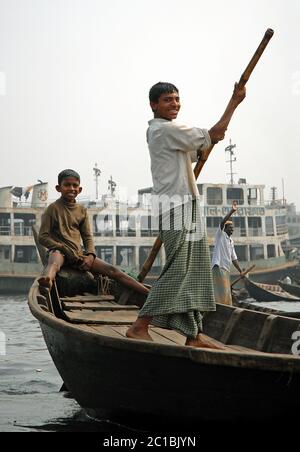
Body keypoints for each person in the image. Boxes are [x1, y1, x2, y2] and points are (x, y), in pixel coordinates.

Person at [126, 81, 246, 348]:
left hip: (184, 203)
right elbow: (215, 133)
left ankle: (193, 335)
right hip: (176, 205)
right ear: (154, 105)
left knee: (195, 270)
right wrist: (234, 102)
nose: (175, 104)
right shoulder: (164, 130)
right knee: (179, 269)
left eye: (177, 99)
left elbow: (197, 150)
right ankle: (140, 325)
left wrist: (208, 141)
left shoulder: (166, 132)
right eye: (168, 100)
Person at [38, 169, 149, 295]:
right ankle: (47, 280)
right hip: (60, 252)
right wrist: (62, 248)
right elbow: (43, 236)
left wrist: (90, 255)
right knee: (54, 264)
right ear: (59, 188)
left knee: (113, 271)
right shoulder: (52, 209)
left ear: (80, 189)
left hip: (78, 254)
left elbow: (87, 237)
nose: (71, 188)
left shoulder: (81, 210)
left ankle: (147, 293)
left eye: (75, 185)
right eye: (67, 185)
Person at [211, 201, 243, 305]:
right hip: (218, 266)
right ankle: (219, 306)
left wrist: (240, 271)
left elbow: (234, 258)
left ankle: (224, 305)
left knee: (225, 293)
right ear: (225, 229)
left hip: (226, 268)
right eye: (230, 228)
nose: (232, 230)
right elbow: (222, 222)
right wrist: (232, 211)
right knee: (220, 293)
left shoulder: (230, 241)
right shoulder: (220, 235)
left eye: (233, 228)